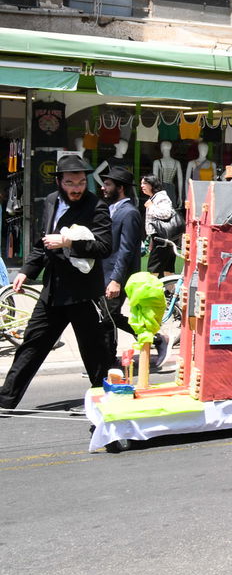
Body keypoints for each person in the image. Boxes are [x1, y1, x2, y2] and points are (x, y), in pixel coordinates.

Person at [0, 154, 115, 410]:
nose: (77, 188)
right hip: (52, 291)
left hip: (83, 293)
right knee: (32, 344)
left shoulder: (96, 206)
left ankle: (106, 400)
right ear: (59, 182)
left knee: (95, 351)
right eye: (70, 183)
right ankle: (6, 399)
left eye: (81, 182)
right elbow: (43, 242)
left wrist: (68, 242)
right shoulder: (52, 200)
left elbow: (105, 247)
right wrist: (27, 271)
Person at [101, 167, 168, 369]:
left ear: (120, 188)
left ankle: (108, 361)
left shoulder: (129, 212)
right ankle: (154, 339)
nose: (103, 188)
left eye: (108, 184)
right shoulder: (111, 208)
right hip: (105, 273)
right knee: (108, 317)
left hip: (118, 275)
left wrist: (116, 280)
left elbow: (126, 250)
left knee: (108, 318)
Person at [141, 174, 178, 276]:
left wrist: (151, 206)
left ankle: (153, 287)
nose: (142, 186)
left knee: (154, 269)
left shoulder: (160, 197)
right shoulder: (155, 197)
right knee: (167, 269)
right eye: (141, 183)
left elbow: (166, 214)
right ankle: (171, 287)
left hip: (162, 239)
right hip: (161, 238)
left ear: (152, 184)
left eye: (145, 183)